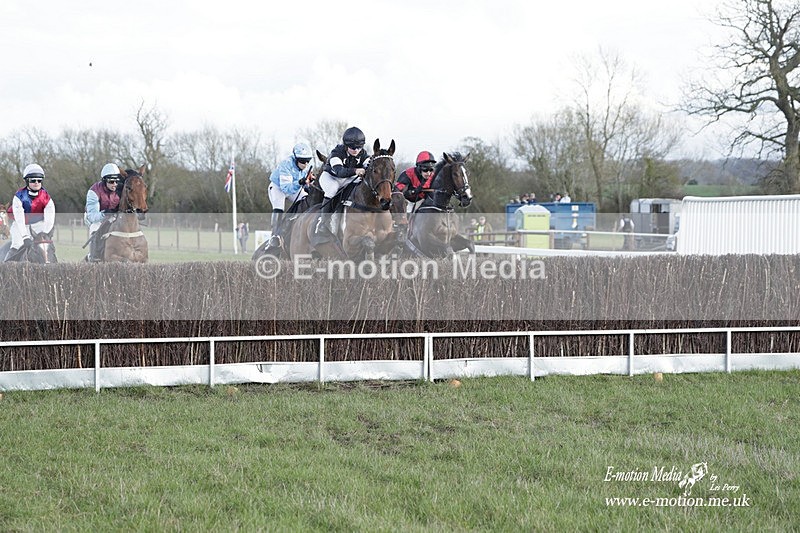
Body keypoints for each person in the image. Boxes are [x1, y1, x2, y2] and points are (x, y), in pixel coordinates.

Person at [313, 126, 370, 239]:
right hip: (331, 177)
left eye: (359, 147)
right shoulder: (337, 152)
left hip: (347, 179)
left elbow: (369, 165)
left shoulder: (362, 153)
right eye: (353, 148)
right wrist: (356, 170)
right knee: (332, 189)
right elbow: (339, 172)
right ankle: (323, 222)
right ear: (346, 145)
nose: (356, 150)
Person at [4, 164, 55, 261]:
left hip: (38, 224)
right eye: (33, 180)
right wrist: (25, 237)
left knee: (46, 246)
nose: (36, 183)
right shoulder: (19, 196)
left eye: (39, 180)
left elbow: (49, 218)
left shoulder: (46, 197)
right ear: (27, 181)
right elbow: (19, 219)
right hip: (20, 225)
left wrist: (45, 234)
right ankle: (5, 266)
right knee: (17, 244)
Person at [84, 163, 123, 262]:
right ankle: (94, 257)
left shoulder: (120, 189)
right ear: (104, 180)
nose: (115, 184)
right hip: (96, 219)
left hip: (114, 217)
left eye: (117, 181)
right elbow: (92, 216)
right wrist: (106, 213)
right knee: (95, 227)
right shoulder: (94, 192)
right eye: (111, 181)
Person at [268, 143, 313, 228]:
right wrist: (300, 182)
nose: (306, 164)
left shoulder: (305, 167)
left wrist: (309, 183)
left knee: (307, 201)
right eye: (303, 161)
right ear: (296, 159)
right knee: (279, 207)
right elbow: (286, 189)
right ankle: (275, 232)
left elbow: (303, 183)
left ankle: (294, 223)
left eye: (308, 161)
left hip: (294, 187)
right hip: (278, 188)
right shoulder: (286, 164)